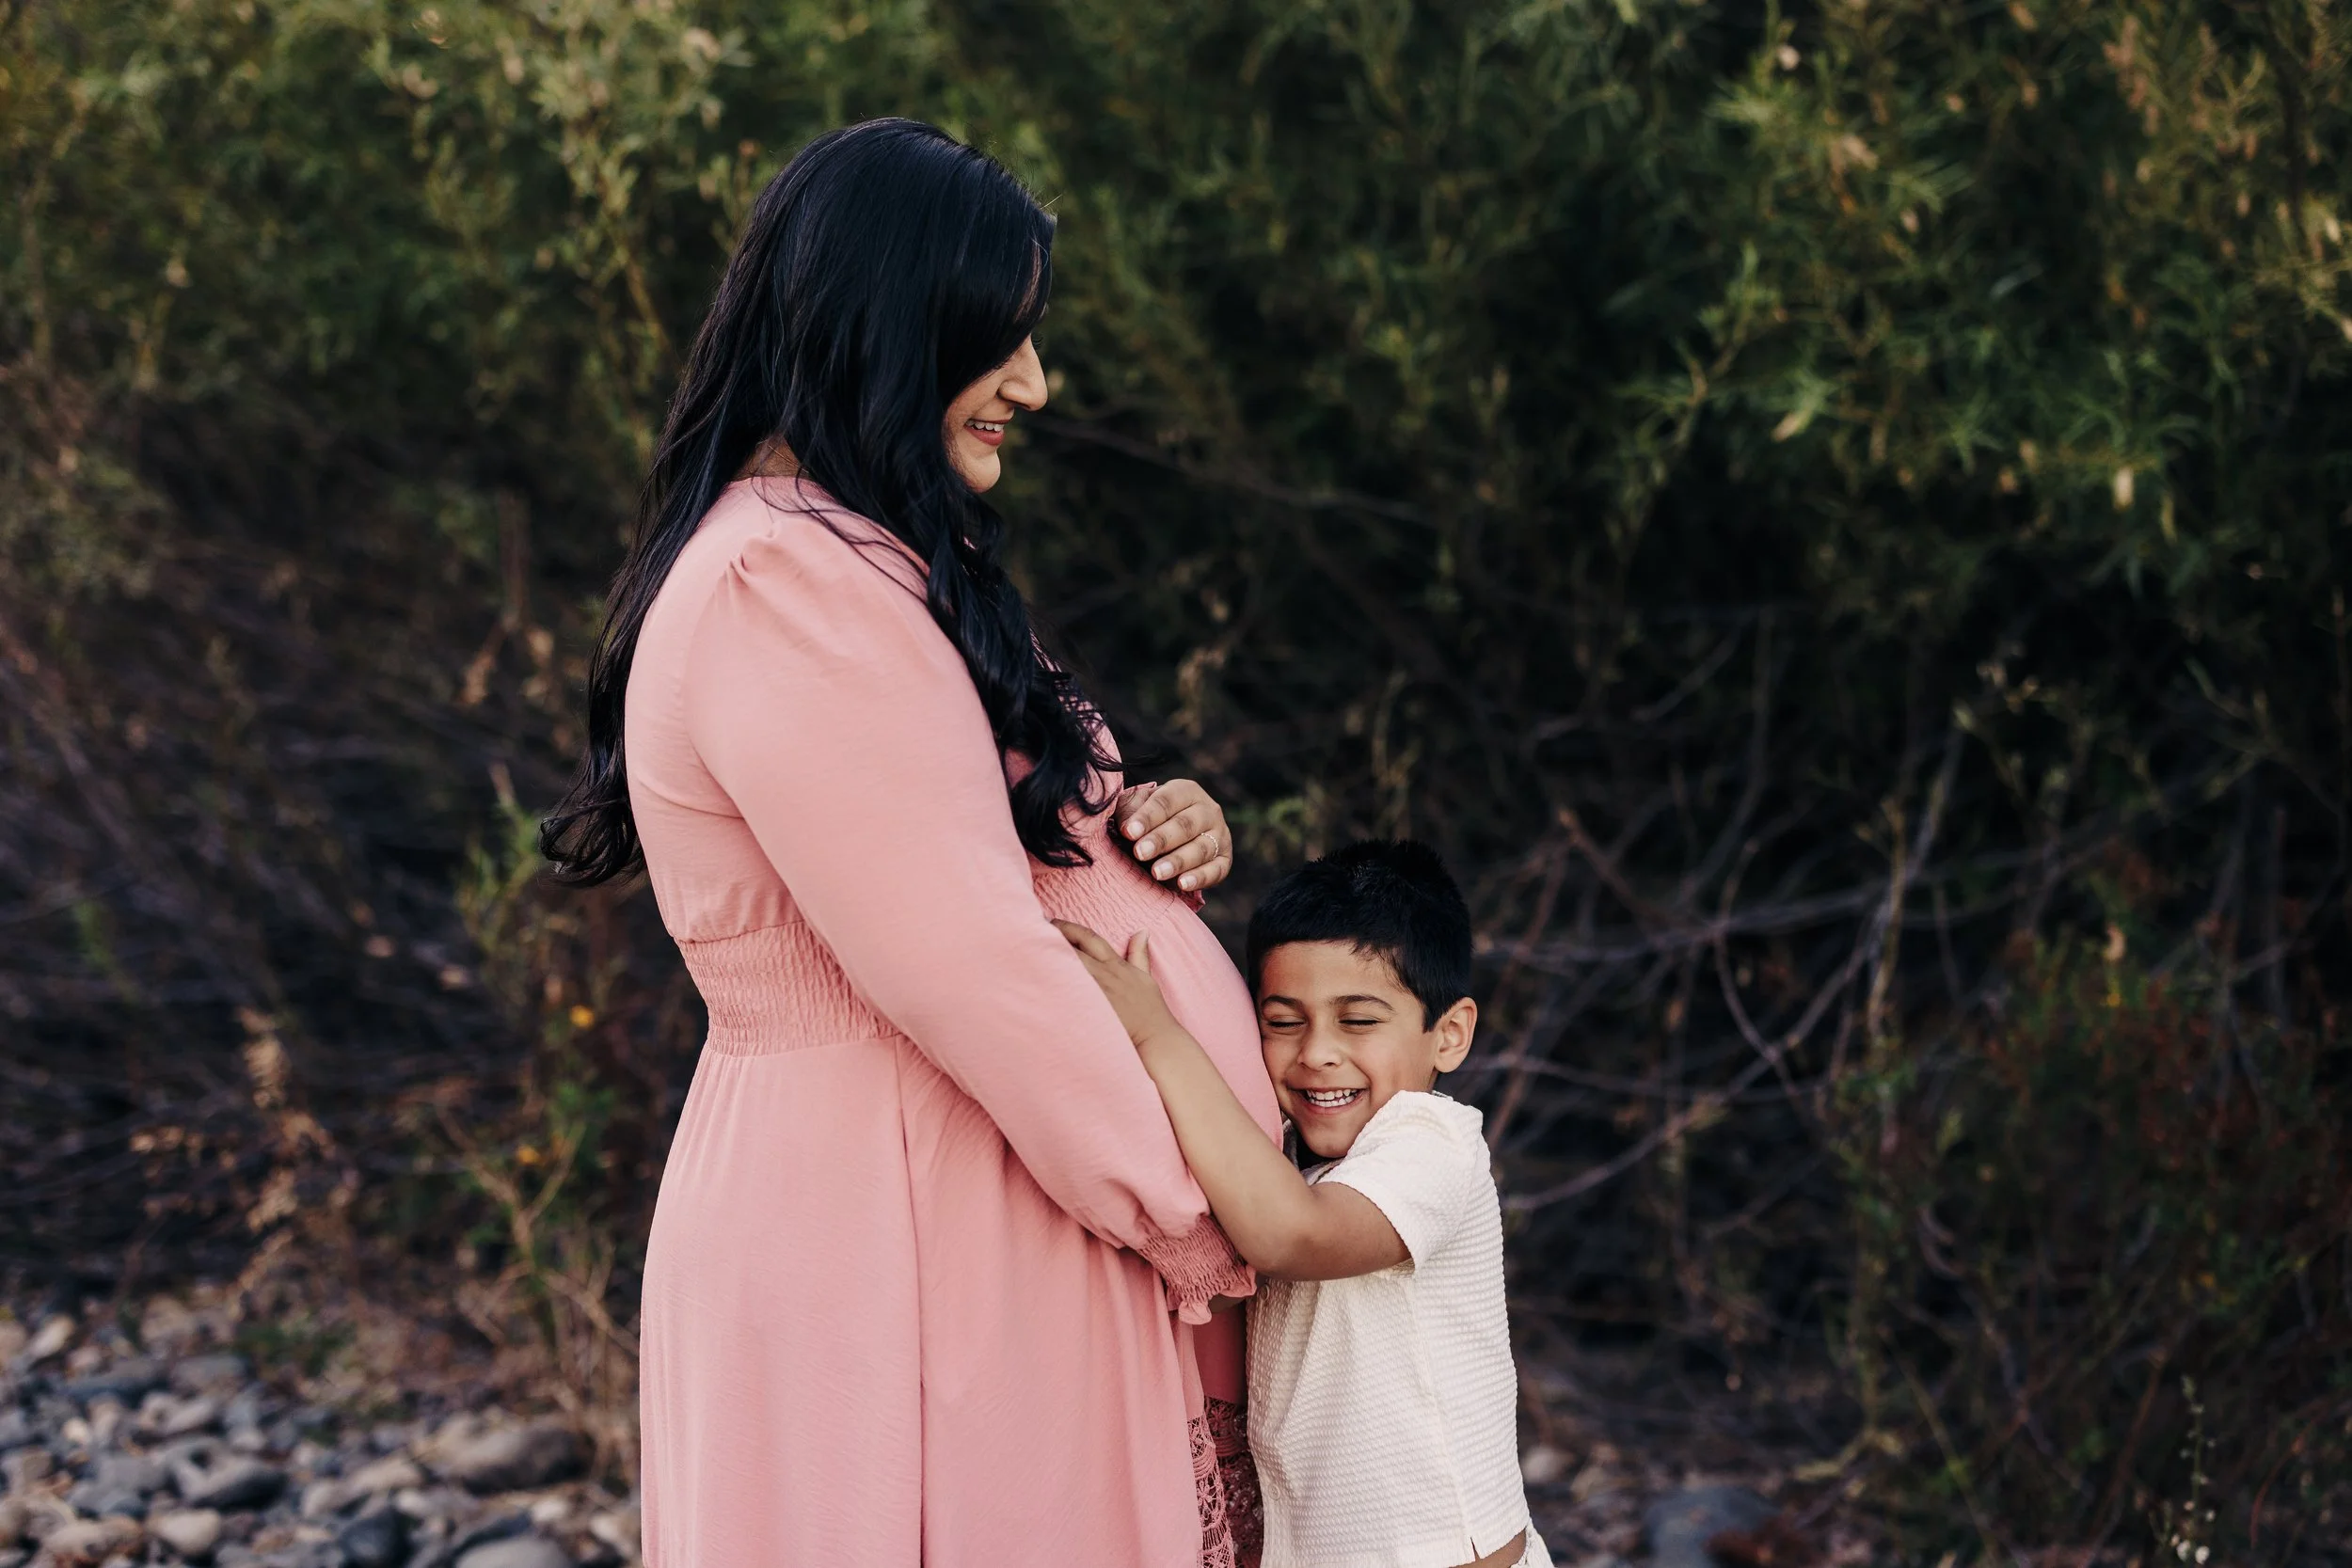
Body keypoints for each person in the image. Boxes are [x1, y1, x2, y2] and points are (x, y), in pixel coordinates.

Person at [540, 119, 1279, 1567]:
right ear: (889, 320)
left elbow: (1011, 866)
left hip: (984, 1190)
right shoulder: (780, 586)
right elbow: (971, 963)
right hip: (918, 1214)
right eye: (1000, 337)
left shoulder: (852, 560)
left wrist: (1152, 830)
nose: (1035, 383)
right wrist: (1208, 1207)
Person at [1061, 840, 1551, 1568]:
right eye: (1283, 1021)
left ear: (1448, 1035)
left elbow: (1290, 1235)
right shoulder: (1293, 1164)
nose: (1317, 1051)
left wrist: (1156, 1033)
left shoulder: (1434, 1143)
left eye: (1359, 1020)